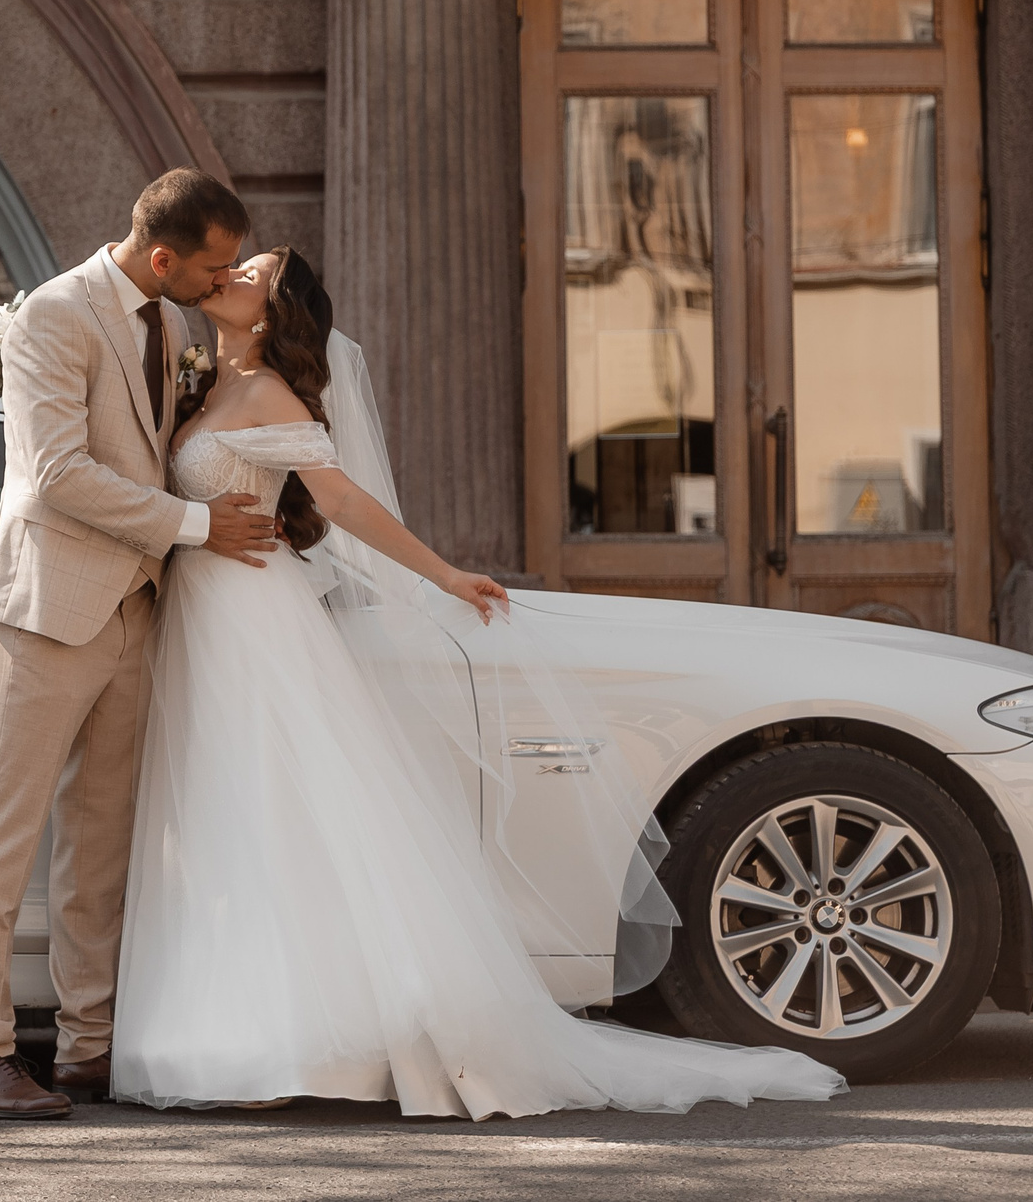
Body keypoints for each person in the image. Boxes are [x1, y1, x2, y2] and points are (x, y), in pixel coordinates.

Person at [109, 246, 848, 1116]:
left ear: (272, 313)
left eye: (251, 274)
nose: (230, 274)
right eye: (232, 265)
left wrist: (443, 574)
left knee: (272, 810)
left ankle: (302, 1040)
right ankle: (223, 1023)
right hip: (200, 623)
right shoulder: (199, 384)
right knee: (215, 818)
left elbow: (340, 502)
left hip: (255, 627)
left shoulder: (269, 391)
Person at [0, 169, 282, 1120]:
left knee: (102, 843)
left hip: (137, 607)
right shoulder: (55, 314)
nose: (220, 284)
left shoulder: (171, 324)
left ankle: (89, 1046)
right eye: (210, 268)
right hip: (51, 607)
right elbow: (56, 476)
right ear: (163, 256)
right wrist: (198, 524)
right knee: (2, 835)